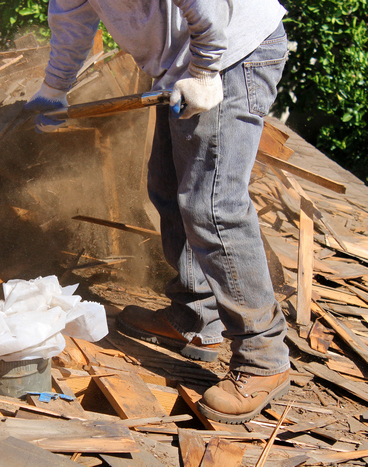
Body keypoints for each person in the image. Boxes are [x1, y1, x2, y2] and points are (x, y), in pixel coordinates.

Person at [25, 0, 291, 424]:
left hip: (233, 51)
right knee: (168, 188)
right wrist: (56, 88)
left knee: (214, 205)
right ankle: (195, 317)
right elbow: (72, 18)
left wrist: (205, 71)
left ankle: (264, 357)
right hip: (187, 61)